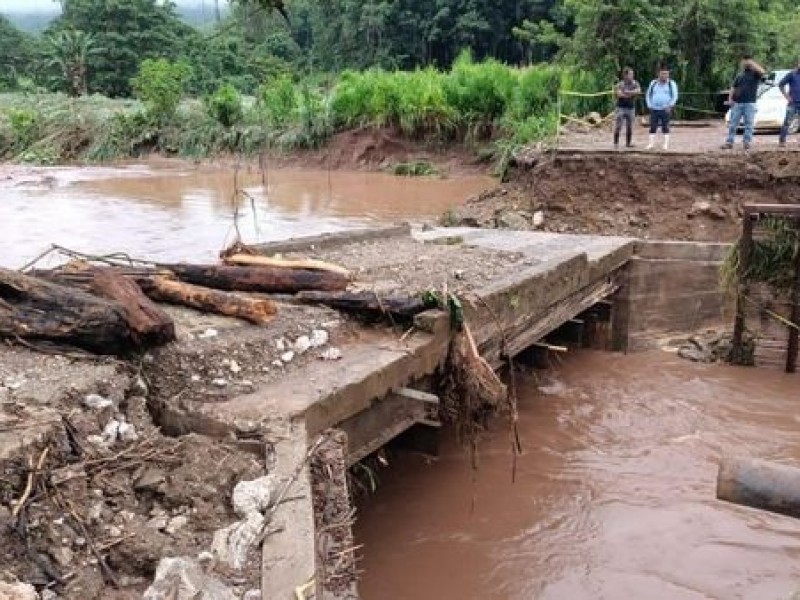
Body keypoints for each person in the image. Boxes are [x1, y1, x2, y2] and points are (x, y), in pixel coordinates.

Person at [723, 55, 766, 150]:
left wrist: (751, 63)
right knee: (733, 124)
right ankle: (729, 142)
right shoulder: (739, 75)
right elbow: (733, 88)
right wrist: (730, 99)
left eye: (747, 61)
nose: (745, 63)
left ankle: (747, 143)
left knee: (749, 125)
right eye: (744, 61)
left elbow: (763, 71)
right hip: (737, 103)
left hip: (750, 103)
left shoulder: (756, 74)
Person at [645, 67, 679, 150]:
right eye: (663, 74)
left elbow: (675, 96)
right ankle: (651, 144)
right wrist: (649, 105)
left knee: (665, 126)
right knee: (653, 126)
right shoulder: (653, 83)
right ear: (658, 74)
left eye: (666, 74)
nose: (664, 75)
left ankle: (665, 144)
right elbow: (648, 95)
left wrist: (670, 105)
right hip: (654, 108)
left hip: (665, 109)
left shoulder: (671, 83)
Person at [613, 67, 641, 149]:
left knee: (630, 127)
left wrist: (627, 92)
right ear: (625, 75)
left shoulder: (635, 83)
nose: (632, 76)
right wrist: (632, 94)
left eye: (632, 74)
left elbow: (638, 91)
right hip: (620, 107)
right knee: (618, 126)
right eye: (630, 74)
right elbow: (619, 94)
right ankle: (616, 143)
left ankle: (628, 143)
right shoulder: (620, 84)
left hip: (631, 108)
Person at [778, 58, 800, 147]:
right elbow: (781, 84)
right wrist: (787, 96)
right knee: (787, 122)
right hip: (793, 102)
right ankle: (782, 141)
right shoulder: (792, 74)